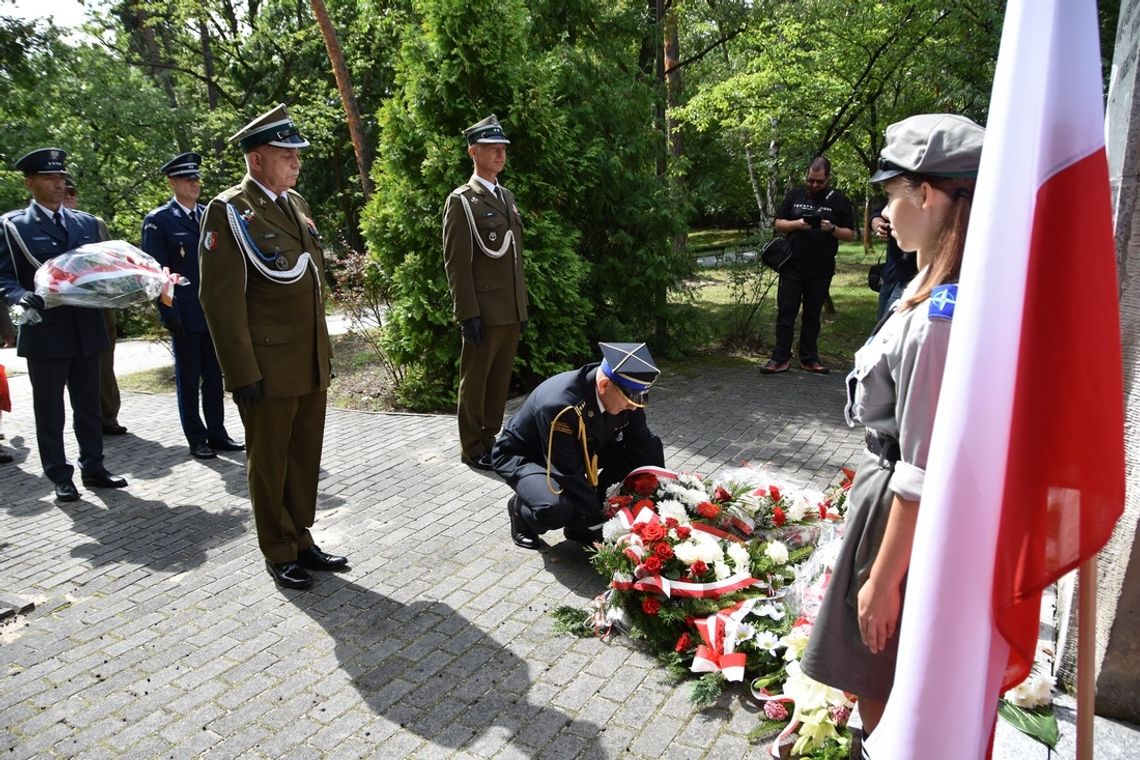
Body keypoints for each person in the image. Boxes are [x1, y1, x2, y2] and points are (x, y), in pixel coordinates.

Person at [799, 114, 985, 739]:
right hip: (895, 500)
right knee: (876, 677)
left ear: (926, 194)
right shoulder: (935, 284)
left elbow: (921, 466)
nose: (886, 209)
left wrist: (883, 579)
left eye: (890, 193)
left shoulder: (941, 314)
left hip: (897, 515)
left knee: (878, 684)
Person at [198, 104, 346, 590]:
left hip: (305, 359)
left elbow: (309, 284)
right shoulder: (229, 210)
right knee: (270, 461)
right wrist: (242, 373)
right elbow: (221, 302)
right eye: (285, 155)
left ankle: (300, 537)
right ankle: (277, 549)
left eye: (296, 155)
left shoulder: (295, 204)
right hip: (266, 363)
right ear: (256, 159)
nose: (295, 163)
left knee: (304, 455)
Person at [0, 148, 129, 500]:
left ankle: (94, 467)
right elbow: (4, 277)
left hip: (87, 328)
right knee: (50, 409)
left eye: (61, 178)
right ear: (30, 183)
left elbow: (106, 269)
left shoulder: (86, 224)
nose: (58, 184)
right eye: (48, 179)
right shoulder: (13, 226)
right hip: (46, 331)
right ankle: (59, 474)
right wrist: (18, 296)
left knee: (88, 405)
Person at [492, 342, 665, 550]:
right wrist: (600, 530)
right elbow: (567, 473)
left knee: (646, 451)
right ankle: (521, 510)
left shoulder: (624, 394)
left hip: (577, 450)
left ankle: (583, 521)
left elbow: (643, 444)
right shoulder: (561, 406)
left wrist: (661, 495)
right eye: (629, 400)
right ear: (604, 385)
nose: (632, 406)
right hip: (529, 456)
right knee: (556, 508)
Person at [141, 152, 242, 460]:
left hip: (213, 313)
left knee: (214, 377)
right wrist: (169, 312)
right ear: (172, 183)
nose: (195, 183)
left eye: (197, 178)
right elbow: (157, 273)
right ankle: (196, 438)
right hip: (185, 312)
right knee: (189, 379)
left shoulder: (210, 215)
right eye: (188, 179)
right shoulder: (159, 221)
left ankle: (217, 432)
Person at [443, 114, 528, 472]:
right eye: (492, 148)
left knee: (498, 381)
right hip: (483, 310)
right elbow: (456, 263)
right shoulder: (462, 201)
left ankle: (490, 437)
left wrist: (520, 307)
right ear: (472, 152)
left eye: (503, 148)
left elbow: (514, 258)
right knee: (475, 382)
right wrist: (467, 313)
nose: (500, 153)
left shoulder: (506, 197)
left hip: (508, 308)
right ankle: (471, 445)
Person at [763, 157, 856, 375]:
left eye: (819, 182)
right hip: (792, 266)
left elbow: (850, 234)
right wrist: (798, 224)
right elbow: (778, 223)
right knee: (786, 313)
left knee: (812, 315)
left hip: (821, 269)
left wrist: (831, 228)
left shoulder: (839, 200)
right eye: (811, 180)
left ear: (828, 178)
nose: (814, 185)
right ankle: (780, 358)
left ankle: (809, 358)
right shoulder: (794, 195)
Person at [870, 203, 918, 320]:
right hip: (890, 275)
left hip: (909, 278)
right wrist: (878, 226)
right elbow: (876, 215)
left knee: (888, 324)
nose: (885, 212)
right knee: (881, 322)